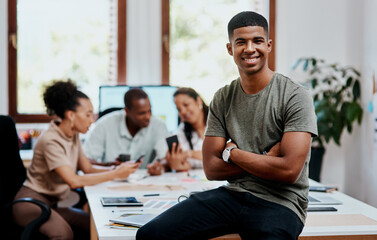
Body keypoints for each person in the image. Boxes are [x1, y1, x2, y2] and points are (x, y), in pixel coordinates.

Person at [136, 11, 317, 240]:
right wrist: (265, 158)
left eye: (257, 41)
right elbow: (211, 169)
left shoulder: (295, 96)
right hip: (232, 195)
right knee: (150, 235)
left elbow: (289, 170)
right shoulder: (222, 98)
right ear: (230, 49)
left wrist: (231, 152)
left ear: (269, 45)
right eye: (241, 42)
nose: (250, 48)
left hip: (281, 203)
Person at [12, 80, 140, 240]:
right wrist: (115, 174)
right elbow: (73, 181)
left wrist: (117, 170)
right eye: (87, 114)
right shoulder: (51, 140)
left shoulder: (73, 135)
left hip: (51, 204)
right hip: (31, 203)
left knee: (93, 224)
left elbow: (87, 168)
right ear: (71, 115)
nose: (92, 120)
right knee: (63, 234)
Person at [83, 88, 169, 169]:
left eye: (150, 111)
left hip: (146, 181)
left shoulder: (158, 125)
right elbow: (84, 160)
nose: (148, 117)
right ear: (127, 111)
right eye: (141, 113)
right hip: (111, 180)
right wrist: (110, 165)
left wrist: (160, 166)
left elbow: (165, 159)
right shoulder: (104, 125)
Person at [164, 87, 208, 171]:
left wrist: (190, 154)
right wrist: (178, 165)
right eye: (179, 109)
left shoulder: (218, 122)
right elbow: (187, 165)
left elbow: (220, 156)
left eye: (186, 105)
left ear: (198, 101)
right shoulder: (180, 133)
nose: (183, 111)